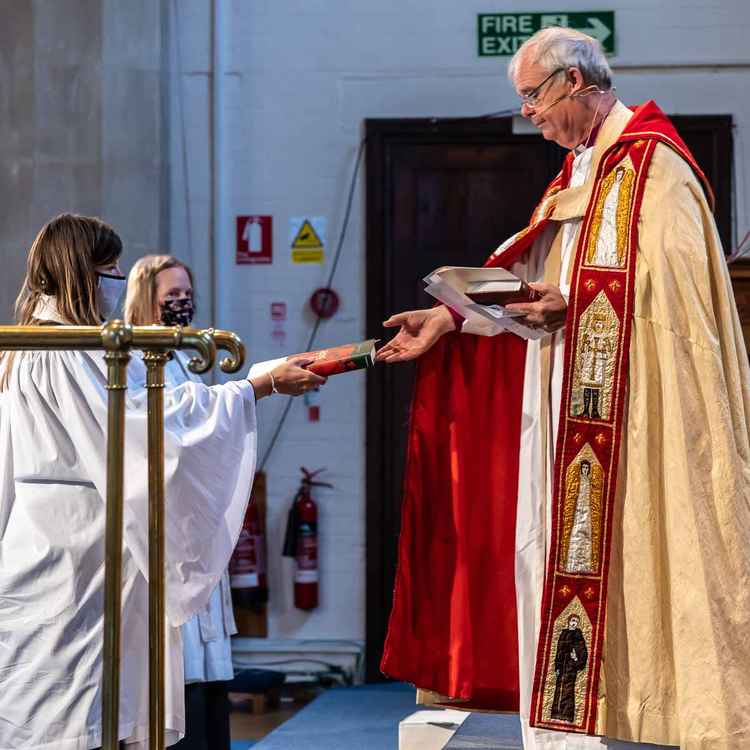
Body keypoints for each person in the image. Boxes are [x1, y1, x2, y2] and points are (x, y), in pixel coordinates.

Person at [378, 27, 750, 750]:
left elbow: (677, 311)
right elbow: (538, 289)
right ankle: (564, 725)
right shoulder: (580, 175)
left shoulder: (654, 172)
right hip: (561, 410)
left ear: (575, 81)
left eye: (533, 97)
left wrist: (574, 305)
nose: (530, 115)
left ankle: (633, 718)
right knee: (542, 557)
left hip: (635, 424)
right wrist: (451, 317)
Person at [0, 214, 325, 750]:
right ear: (82, 274)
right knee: (69, 719)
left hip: (49, 547)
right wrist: (256, 386)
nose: (117, 280)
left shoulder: (30, 345)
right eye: (109, 270)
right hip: (74, 555)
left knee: (56, 711)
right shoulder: (65, 351)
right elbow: (147, 426)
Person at [124, 254, 234, 750]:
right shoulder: (131, 362)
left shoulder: (188, 360)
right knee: (175, 662)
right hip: (164, 530)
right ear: (146, 299)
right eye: (172, 295)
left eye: (187, 293)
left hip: (196, 525)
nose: (182, 302)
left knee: (205, 670)